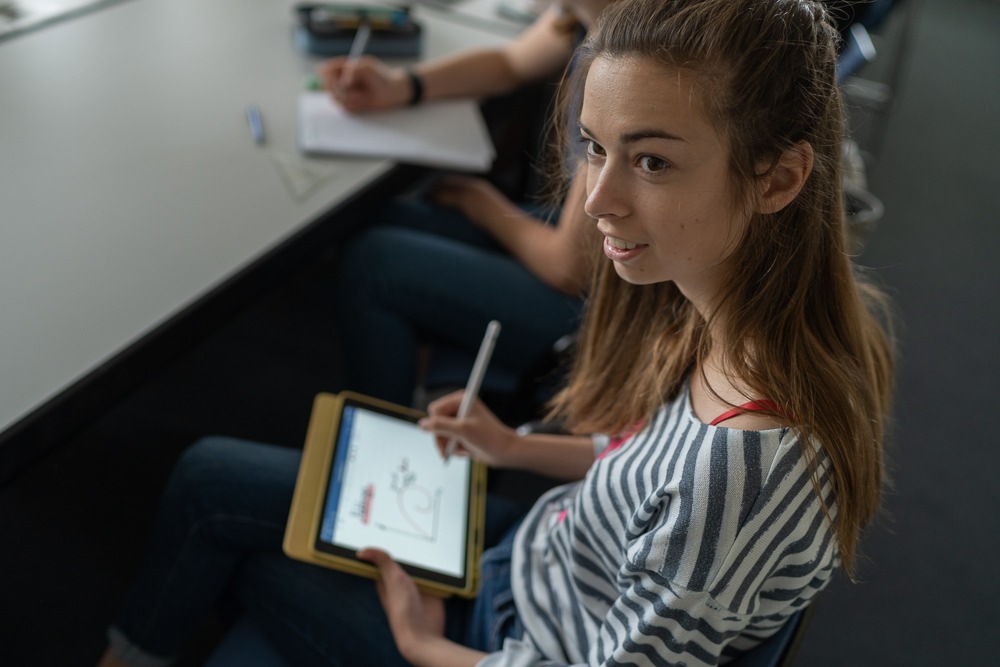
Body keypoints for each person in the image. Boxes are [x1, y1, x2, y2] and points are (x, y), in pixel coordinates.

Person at [96, 0, 895, 665]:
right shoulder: (732, 317)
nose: (595, 201)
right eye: (595, 148)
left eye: (651, 163)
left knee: (208, 495)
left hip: (503, 636)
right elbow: (643, 462)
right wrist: (511, 447)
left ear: (779, 178)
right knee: (225, 480)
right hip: (539, 559)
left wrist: (421, 645)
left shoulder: (743, 467)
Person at [321, 1, 609, 408]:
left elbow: (569, 269)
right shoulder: (586, 15)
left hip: (606, 316)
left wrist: (478, 202)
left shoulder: (631, 62)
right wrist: (402, 84)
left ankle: (390, 443)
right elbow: (509, 63)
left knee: (372, 264)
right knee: (390, 217)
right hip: (586, 251)